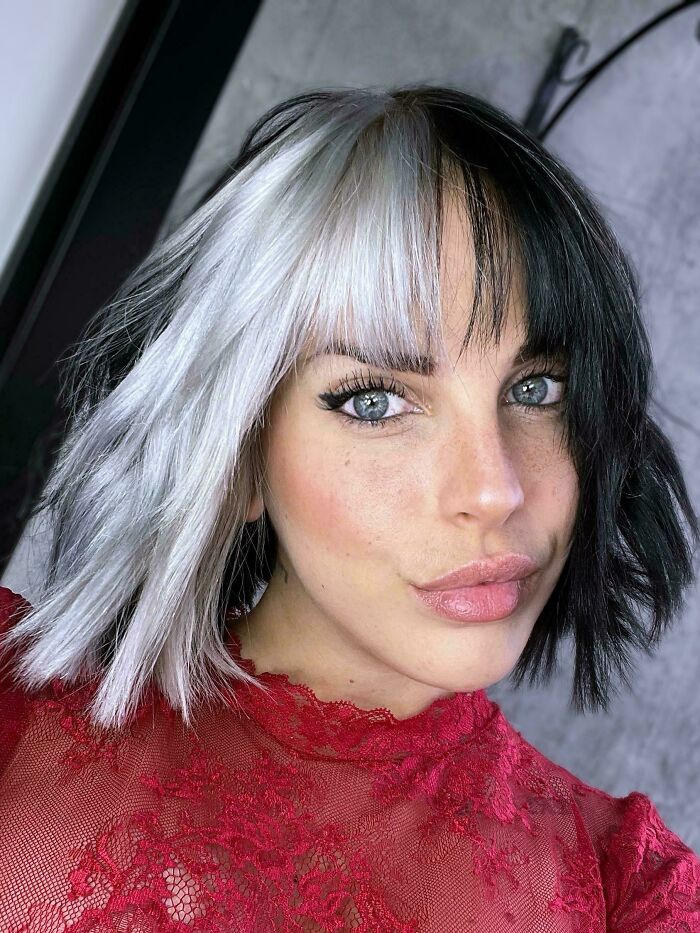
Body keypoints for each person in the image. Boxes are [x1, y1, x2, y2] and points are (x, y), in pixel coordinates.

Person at [0, 84, 698, 932]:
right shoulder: (18, 724)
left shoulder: (627, 894)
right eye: (376, 401)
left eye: (536, 388)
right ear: (241, 450)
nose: (495, 489)